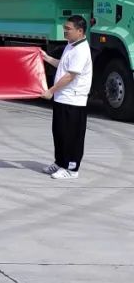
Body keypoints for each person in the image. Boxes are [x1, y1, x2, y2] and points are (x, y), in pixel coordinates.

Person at [40, 15, 92, 180]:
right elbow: (63, 65)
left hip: (74, 100)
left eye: (68, 29)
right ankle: (60, 161)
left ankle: (71, 168)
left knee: (72, 135)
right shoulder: (71, 45)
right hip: (63, 98)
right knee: (59, 132)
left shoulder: (81, 50)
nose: (65, 32)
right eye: (65, 28)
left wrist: (51, 90)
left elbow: (70, 76)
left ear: (80, 31)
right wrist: (47, 58)